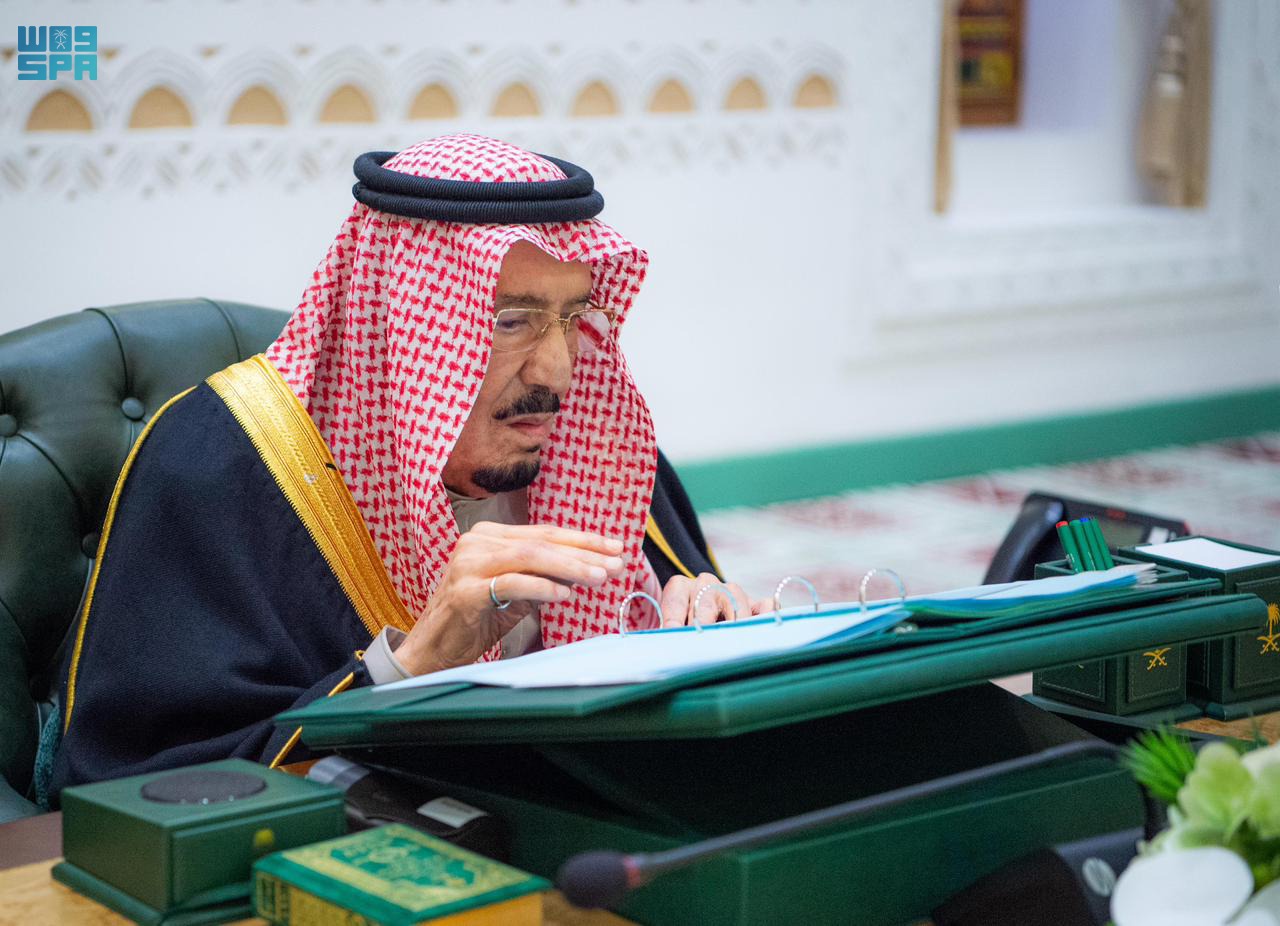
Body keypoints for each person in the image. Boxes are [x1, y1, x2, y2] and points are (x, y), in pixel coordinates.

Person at [50, 133, 763, 795]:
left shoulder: (602, 448)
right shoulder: (221, 465)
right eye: (510, 321)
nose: (557, 371)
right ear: (407, 325)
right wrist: (412, 664)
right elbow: (135, 787)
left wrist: (709, 636)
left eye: (573, 319)